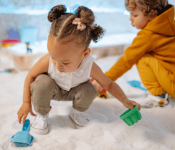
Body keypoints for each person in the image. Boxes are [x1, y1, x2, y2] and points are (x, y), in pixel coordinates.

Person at [17, 5, 141, 135]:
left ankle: (76, 113)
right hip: (51, 90)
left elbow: (108, 84)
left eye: (65, 62)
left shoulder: (89, 65)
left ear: (85, 54)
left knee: (90, 89)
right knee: (41, 83)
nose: (57, 65)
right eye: (54, 57)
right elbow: (30, 76)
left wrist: (125, 101)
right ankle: (42, 115)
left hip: (73, 92)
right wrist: (26, 103)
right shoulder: (47, 61)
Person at [92, 0, 175, 108]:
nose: (130, 19)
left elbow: (127, 60)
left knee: (141, 57)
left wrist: (104, 80)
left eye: (135, 15)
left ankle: (158, 95)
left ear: (151, 14)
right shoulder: (172, 24)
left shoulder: (147, 36)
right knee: (163, 56)